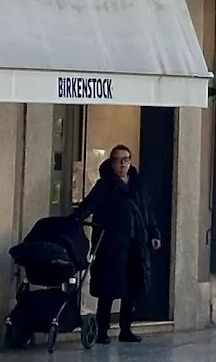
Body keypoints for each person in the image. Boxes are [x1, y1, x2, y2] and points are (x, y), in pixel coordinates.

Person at [76, 146, 162, 342]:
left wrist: (154, 233)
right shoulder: (104, 186)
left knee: (132, 289)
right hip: (111, 245)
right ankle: (102, 331)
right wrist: (74, 221)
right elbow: (87, 206)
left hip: (136, 245)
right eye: (119, 159)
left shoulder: (138, 185)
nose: (123, 163)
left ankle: (126, 330)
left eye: (126, 159)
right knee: (108, 290)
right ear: (112, 163)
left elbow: (147, 212)